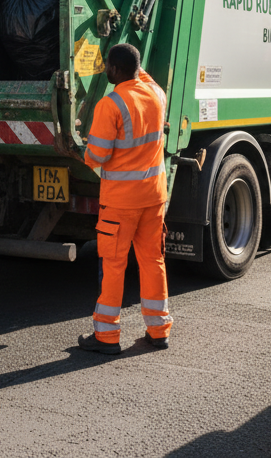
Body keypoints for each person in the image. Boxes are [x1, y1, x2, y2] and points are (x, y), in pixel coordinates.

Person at [78, 43, 173, 354]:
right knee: (153, 261)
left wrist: (85, 153)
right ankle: (159, 330)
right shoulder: (157, 95)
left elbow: (98, 155)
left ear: (115, 70)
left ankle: (107, 336)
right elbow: (141, 73)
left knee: (114, 265)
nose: (106, 69)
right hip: (154, 196)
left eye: (108, 65)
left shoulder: (110, 105)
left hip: (121, 203)